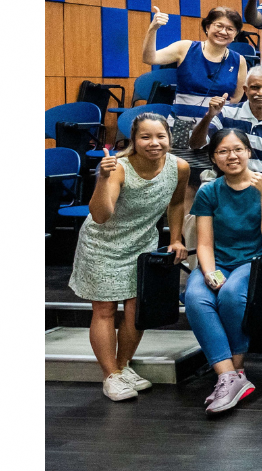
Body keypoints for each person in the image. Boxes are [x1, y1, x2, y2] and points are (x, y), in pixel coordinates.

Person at [67, 112, 190, 401]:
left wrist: (174, 239)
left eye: (160, 136)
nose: (154, 143)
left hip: (141, 244)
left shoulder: (179, 167)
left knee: (137, 311)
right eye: (145, 137)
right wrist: (102, 178)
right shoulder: (119, 168)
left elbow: (175, 203)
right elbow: (100, 215)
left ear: (169, 139)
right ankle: (110, 375)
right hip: (103, 244)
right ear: (134, 141)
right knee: (105, 310)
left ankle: (122, 367)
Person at [185, 128, 262, 414]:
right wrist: (208, 273)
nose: (232, 156)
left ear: (248, 152)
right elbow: (204, 243)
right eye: (223, 151)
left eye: (238, 149)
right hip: (220, 263)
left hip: (259, 262)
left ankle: (235, 372)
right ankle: (229, 376)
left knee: (230, 294)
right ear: (214, 159)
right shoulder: (208, 191)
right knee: (195, 296)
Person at [142, 5, 247, 172]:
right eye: (218, 26)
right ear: (207, 27)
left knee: (209, 180)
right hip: (180, 126)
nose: (223, 32)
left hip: (216, 129)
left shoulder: (239, 60)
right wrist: (153, 28)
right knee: (176, 176)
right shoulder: (186, 48)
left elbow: (235, 98)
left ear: (235, 34)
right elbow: (149, 57)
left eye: (230, 29)